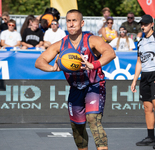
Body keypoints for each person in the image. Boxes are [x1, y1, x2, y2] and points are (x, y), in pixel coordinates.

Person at [35, 9, 116, 150]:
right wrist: (53, 68)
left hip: (94, 85)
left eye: (74, 20)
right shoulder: (61, 44)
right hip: (75, 88)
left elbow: (110, 53)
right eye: (68, 21)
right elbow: (39, 61)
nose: (71, 24)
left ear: (82, 23)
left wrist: (93, 64)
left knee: (93, 119)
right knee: (77, 127)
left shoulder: (92, 39)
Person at [131, 14, 155, 149]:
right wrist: (135, 80)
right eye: (142, 24)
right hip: (145, 76)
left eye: (146, 24)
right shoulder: (140, 41)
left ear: (152, 24)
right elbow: (139, 61)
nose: (143, 26)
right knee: (147, 108)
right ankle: (151, 137)